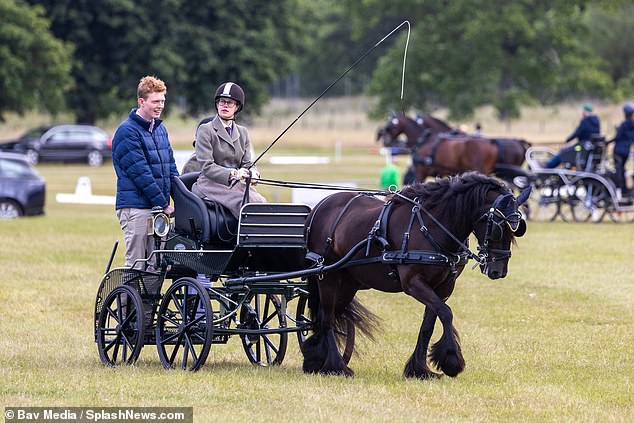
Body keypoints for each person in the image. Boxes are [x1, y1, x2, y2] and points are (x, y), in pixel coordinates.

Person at [112, 75, 179, 271]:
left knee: (156, 264)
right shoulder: (127, 132)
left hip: (157, 208)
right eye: (155, 101)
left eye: (163, 101)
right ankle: (126, 303)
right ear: (141, 101)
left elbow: (170, 169)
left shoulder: (160, 129)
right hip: (136, 207)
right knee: (136, 264)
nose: (160, 106)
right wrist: (164, 203)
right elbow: (141, 174)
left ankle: (147, 303)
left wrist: (184, 199)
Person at [192, 82, 266, 219]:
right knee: (245, 203)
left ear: (237, 106)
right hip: (210, 184)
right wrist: (233, 173)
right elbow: (206, 166)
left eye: (230, 103)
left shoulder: (243, 132)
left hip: (235, 185)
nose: (225, 105)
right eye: (222, 102)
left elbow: (247, 163)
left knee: (261, 202)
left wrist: (253, 173)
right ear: (217, 104)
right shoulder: (206, 130)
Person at [544, 104, 601, 168]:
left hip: (580, 147)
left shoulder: (585, 122)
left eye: (583, 111)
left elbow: (577, 133)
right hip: (587, 147)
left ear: (585, 112)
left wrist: (567, 140)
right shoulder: (597, 122)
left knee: (564, 152)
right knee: (567, 150)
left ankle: (548, 166)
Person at [611, 104, 634, 199]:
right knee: (622, 169)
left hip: (618, 151)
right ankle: (625, 189)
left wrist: (608, 142)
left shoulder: (624, 125)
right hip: (626, 151)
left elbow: (617, 137)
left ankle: (619, 190)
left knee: (618, 171)